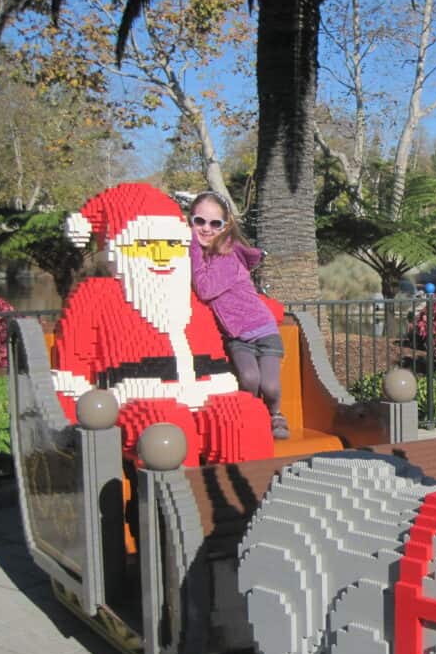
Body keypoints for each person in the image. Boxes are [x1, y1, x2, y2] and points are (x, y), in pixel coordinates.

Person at [54, 183, 275, 466]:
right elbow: (70, 370)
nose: (161, 256)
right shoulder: (95, 296)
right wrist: (71, 424)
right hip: (136, 401)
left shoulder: (196, 290)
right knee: (167, 425)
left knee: (246, 414)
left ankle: (252, 502)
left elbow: (243, 307)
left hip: (209, 393)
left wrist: (273, 314)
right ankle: (177, 507)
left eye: (172, 246)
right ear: (117, 250)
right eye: (145, 245)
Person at [188, 192, 290, 440]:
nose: (206, 229)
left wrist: (191, 243)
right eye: (199, 222)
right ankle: (255, 415)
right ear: (190, 221)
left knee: (271, 386)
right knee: (249, 378)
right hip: (238, 336)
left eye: (215, 223)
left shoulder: (228, 255)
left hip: (263, 329)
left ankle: (275, 413)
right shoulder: (206, 256)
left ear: (226, 226)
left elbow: (205, 288)